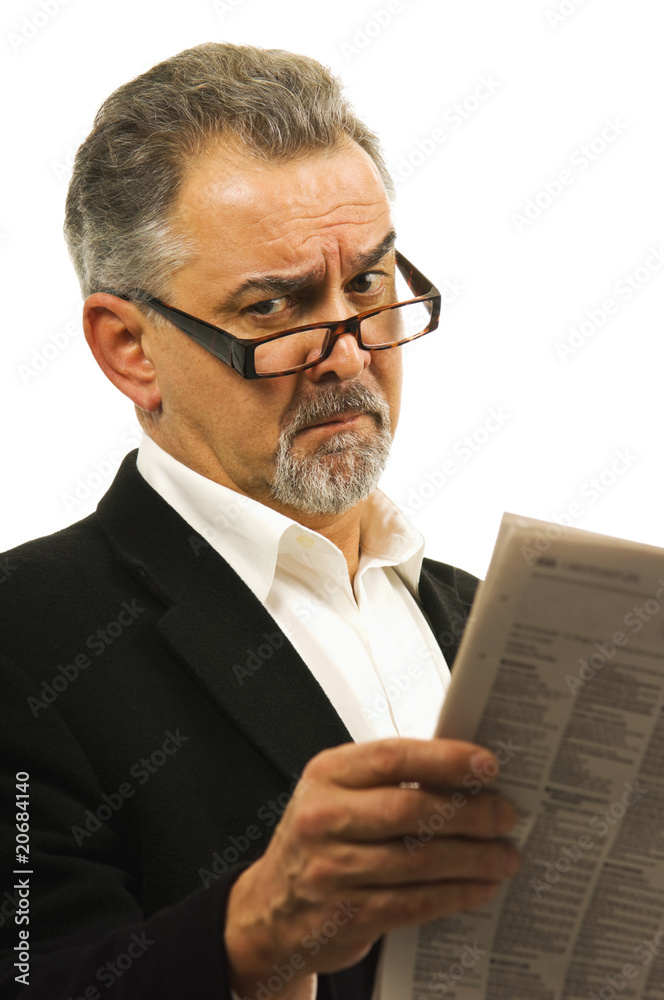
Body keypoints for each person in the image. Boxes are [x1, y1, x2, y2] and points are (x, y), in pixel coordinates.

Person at [0, 42, 520, 1000]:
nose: (348, 357)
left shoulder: (495, 622)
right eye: (275, 307)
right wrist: (246, 940)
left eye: (367, 285)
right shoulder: (22, 634)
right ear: (129, 350)